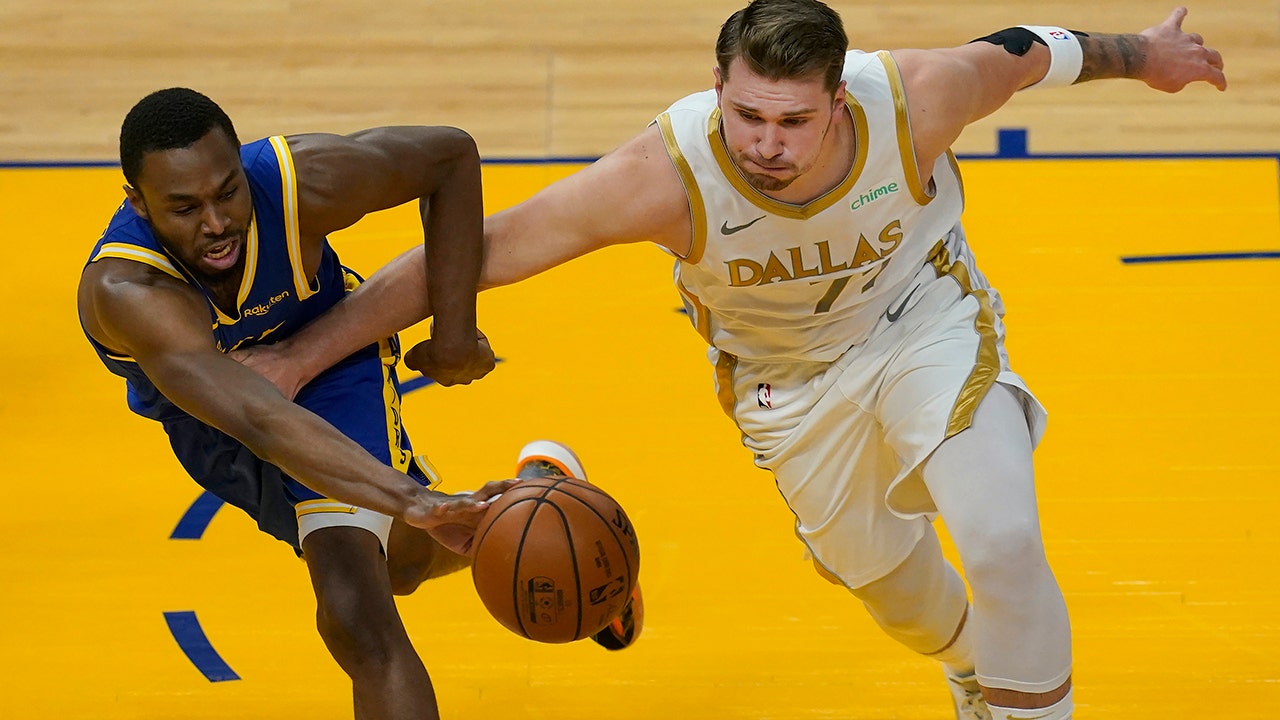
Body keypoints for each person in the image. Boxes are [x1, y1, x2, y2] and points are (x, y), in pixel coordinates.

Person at [234, 3, 1226, 718]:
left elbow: (1027, 52)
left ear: (838, 98)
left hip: (923, 325)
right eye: (747, 116)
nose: (765, 144)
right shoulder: (666, 174)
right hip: (788, 386)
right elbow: (477, 250)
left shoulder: (916, 98)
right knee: (903, 602)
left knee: (1002, 536)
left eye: (793, 122)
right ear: (718, 90)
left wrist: (1146, 54)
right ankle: (972, 668)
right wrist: (305, 355)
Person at [76, 87, 523, 720]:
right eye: (184, 208)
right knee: (398, 564)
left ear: (241, 164)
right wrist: (413, 501)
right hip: (220, 419)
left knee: (355, 613)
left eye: (227, 192)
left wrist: (453, 335)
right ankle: (524, 513)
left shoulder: (299, 182)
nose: (216, 224)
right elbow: (259, 418)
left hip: (331, 368)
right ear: (138, 203)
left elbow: (450, 157)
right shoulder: (129, 290)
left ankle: (514, 521)